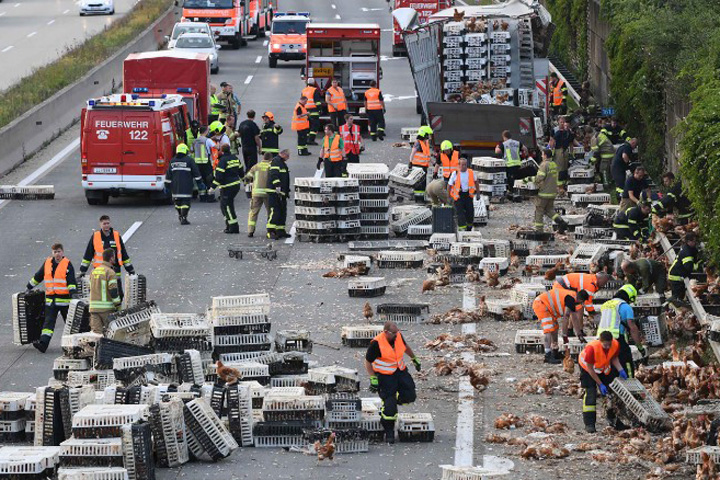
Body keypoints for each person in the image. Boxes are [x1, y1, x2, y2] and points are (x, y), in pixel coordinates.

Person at [365, 321, 420, 444]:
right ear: (386, 332)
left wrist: (414, 358)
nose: (396, 334)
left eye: (397, 332)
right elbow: (368, 362)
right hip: (385, 377)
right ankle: (389, 430)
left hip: (400, 372)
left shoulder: (398, 336)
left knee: (410, 395)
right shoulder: (376, 344)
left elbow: (405, 347)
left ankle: (395, 401)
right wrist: (373, 378)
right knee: (390, 409)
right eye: (394, 333)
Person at [25, 243, 78, 352]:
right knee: (48, 323)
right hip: (51, 301)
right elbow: (38, 276)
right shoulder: (47, 263)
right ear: (52, 253)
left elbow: (71, 281)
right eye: (55, 252)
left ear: (62, 252)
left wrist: (73, 294)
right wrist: (29, 287)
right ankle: (43, 344)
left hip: (64, 302)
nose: (57, 254)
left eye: (59, 251)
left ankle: (76, 345)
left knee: (70, 323)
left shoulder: (67, 264)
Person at [578, 330, 626, 433]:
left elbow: (614, 358)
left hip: (602, 368)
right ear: (600, 341)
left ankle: (614, 420)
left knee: (610, 394)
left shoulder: (615, 344)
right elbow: (590, 369)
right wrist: (600, 384)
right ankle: (589, 424)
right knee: (591, 393)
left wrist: (620, 369)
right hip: (587, 369)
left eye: (609, 344)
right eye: (605, 345)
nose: (608, 347)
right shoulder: (592, 349)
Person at [79, 215, 135, 299]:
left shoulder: (116, 236)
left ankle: (117, 310)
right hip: (99, 271)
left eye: (108, 223)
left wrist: (130, 269)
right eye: (104, 223)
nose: (106, 225)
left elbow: (123, 253)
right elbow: (88, 254)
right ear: (100, 225)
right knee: (101, 294)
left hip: (115, 270)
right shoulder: (95, 236)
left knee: (118, 294)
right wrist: (83, 270)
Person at [597, 284, 645, 378]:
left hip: (601, 338)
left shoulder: (606, 304)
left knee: (608, 362)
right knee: (626, 361)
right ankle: (630, 383)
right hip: (616, 338)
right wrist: (639, 346)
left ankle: (611, 386)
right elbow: (633, 328)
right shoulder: (625, 306)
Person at [534, 286, 589, 364]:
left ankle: (555, 351)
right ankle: (547, 355)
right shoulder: (571, 298)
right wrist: (564, 335)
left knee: (555, 328)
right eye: (582, 302)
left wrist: (579, 334)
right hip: (542, 305)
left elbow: (574, 318)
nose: (582, 304)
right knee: (548, 329)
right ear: (580, 299)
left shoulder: (572, 297)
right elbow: (566, 316)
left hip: (547, 307)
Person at [165, 144, 204, 225]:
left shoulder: (172, 161)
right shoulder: (190, 160)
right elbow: (196, 173)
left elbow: (168, 175)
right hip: (187, 186)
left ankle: (180, 215)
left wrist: (167, 186)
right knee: (185, 202)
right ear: (185, 151)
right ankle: (184, 217)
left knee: (177, 202)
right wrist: (200, 183)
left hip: (175, 186)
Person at [533, 148, 569, 234]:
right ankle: (561, 222)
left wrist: (532, 180)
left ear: (545, 155)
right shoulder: (554, 164)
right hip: (552, 192)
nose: (541, 156)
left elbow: (540, 177)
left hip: (543, 193)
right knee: (549, 210)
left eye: (542, 154)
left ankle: (539, 231)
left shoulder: (544, 165)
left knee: (539, 211)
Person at [89, 248, 122, 335]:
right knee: (110, 334)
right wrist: (118, 305)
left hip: (93, 308)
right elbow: (113, 291)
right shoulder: (110, 272)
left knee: (97, 335)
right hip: (106, 309)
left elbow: (90, 288)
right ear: (111, 258)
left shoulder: (93, 271)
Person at [214, 144, 243, 234]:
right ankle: (229, 225)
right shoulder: (235, 158)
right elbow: (241, 171)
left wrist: (212, 187)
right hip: (235, 185)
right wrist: (245, 182)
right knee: (225, 205)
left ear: (222, 151)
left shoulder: (223, 161)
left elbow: (219, 176)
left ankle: (233, 227)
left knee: (227, 206)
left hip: (227, 186)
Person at [244, 152, 273, 238]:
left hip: (256, 193)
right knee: (270, 212)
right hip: (268, 193)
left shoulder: (256, 166)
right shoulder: (271, 166)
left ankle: (250, 230)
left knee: (253, 212)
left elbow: (247, 177)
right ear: (271, 158)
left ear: (263, 157)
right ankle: (270, 230)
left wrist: (247, 184)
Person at [668, 232, 701, 307]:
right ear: (688, 241)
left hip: (678, 273)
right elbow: (689, 267)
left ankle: (673, 301)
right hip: (676, 275)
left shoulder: (688, 248)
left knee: (680, 295)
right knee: (678, 296)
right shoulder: (687, 252)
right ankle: (670, 301)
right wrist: (699, 265)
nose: (695, 243)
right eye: (694, 241)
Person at [447, 157, 478, 231]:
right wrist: (448, 196)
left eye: (465, 165)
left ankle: (469, 227)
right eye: (462, 165)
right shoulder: (455, 173)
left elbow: (476, 182)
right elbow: (449, 185)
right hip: (459, 196)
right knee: (460, 213)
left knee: (470, 212)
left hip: (468, 195)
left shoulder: (470, 172)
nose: (464, 166)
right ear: (459, 165)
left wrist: (478, 193)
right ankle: (462, 229)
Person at [238, 110, 262, 198]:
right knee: (252, 166)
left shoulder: (242, 124)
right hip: (252, 147)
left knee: (247, 164)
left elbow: (238, 134)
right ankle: (249, 181)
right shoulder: (253, 125)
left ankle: (247, 180)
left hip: (244, 147)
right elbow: (256, 137)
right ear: (254, 116)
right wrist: (260, 147)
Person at [268, 149, 290, 240]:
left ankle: (280, 230)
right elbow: (274, 175)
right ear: (283, 154)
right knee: (275, 211)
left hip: (282, 193)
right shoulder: (276, 162)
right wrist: (278, 187)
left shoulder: (281, 163)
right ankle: (271, 231)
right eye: (287, 156)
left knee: (282, 212)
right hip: (275, 192)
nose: (288, 158)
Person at [553, 116, 579, 188]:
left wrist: (572, 153)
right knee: (560, 168)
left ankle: (563, 183)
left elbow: (571, 143)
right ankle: (559, 185)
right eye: (562, 122)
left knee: (565, 167)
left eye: (564, 123)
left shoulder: (569, 133)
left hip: (565, 151)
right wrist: (548, 150)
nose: (564, 124)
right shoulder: (557, 132)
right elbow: (552, 141)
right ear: (558, 122)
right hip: (559, 151)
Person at [192, 126, 216, 203]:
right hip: (206, 162)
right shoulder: (208, 140)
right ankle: (210, 197)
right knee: (209, 179)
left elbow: (191, 150)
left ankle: (202, 197)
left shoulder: (195, 140)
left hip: (197, 163)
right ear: (206, 131)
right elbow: (216, 147)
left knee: (200, 180)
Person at [409, 126, 433, 197]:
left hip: (424, 166)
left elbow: (427, 155)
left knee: (423, 182)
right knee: (419, 182)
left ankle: (421, 196)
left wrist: (432, 162)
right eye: (427, 135)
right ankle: (418, 196)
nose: (428, 136)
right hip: (418, 165)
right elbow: (413, 152)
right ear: (424, 134)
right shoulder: (418, 143)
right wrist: (410, 161)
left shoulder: (425, 143)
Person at [591, 121, 615, 187]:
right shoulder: (599, 135)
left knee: (603, 169)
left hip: (606, 154)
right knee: (609, 170)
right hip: (610, 153)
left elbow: (596, 152)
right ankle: (610, 181)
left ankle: (606, 184)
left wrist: (592, 161)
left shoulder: (594, 138)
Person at [301, 78, 323, 145]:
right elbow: (317, 102)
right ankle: (311, 140)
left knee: (308, 126)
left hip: (305, 111)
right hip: (314, 111)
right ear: (313, 83)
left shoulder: (303, 90)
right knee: (315, 126)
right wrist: (320, 109)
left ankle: (307, 139)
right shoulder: (314, 90)